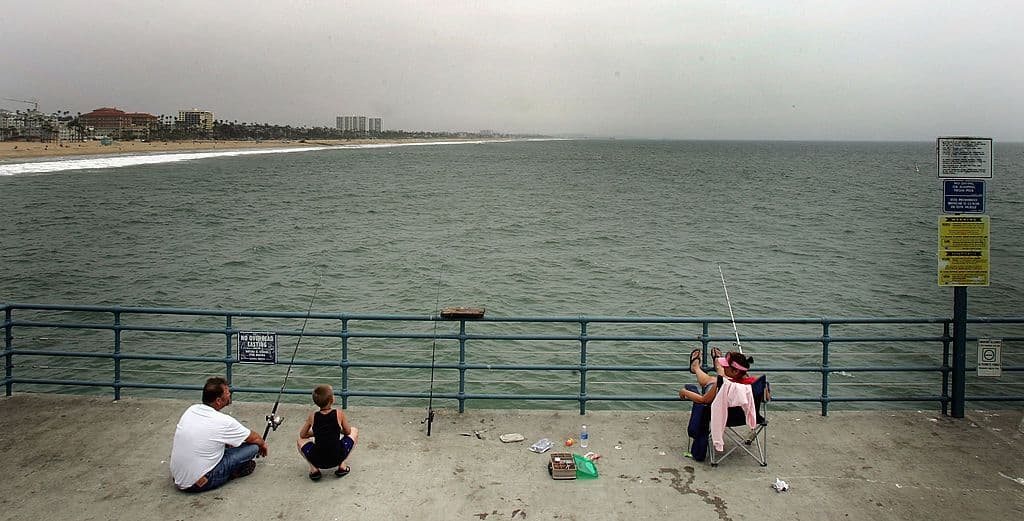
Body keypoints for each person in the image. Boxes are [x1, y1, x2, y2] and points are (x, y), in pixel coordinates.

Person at [169, 377, 268, 492]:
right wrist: (262, 445)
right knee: (253, 448)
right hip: (200, 483)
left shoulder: (191, 410)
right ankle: (232, 472)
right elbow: (255, 438)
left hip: (177, 477)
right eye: (227, 393)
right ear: (218, 401)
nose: (229, 394)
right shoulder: (224, 421)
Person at [679, 348, 758, 453]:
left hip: (724, 415)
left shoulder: (723, 385)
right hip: (745, 417)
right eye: (723, 365)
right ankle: (715, 365)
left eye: (725, 366)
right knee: (719, 379)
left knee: (711, 381)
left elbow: (703, 400)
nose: (724, 367)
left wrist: (684, 392)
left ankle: (696, 368)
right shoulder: (756, 383)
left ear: (735, 371)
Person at [297, 384, 358, 480]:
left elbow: (302, 434)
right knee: (354, 431)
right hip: (337, 456)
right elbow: (348, 431)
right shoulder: (339, 413)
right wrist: (337, 430)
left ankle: (314, 469)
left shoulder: (313, 416)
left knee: (300, 440)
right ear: (332, 400)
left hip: (318, 459)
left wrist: (316, 432)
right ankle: (342, 465)